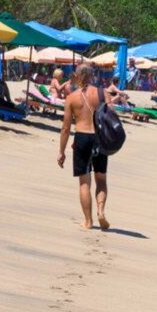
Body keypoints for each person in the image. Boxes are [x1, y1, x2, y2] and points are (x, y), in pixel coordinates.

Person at [58, 64, 110, 230]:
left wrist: (61, 151)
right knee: (101, 179)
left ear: (76, 76)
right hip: (100, 139)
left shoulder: (72, 98)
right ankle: (101, 211)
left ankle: (88, 221)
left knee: (84, 183)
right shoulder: (103, 93)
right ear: (92, 75)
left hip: (81, 137)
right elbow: (112, 117)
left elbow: (66, 128)